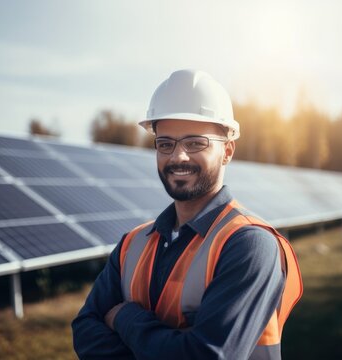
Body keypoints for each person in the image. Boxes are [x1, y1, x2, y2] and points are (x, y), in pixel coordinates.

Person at [72, 69, 302, 360]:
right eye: (165, 143)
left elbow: (207, 355)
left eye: (195, 143)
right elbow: (85, 332)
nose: (178, 157)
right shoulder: (132, 244)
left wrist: (124, 318)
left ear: (227, 151)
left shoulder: (249, 244)